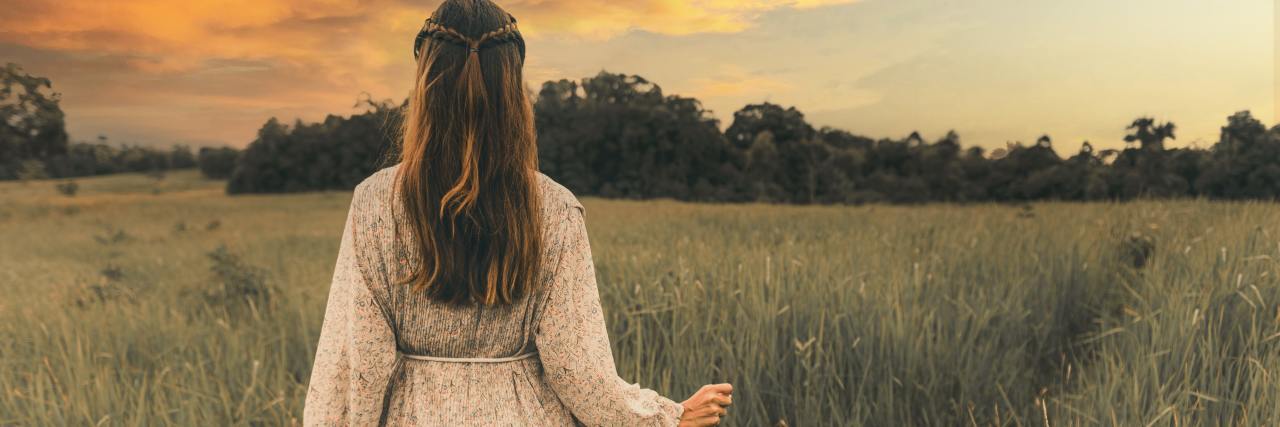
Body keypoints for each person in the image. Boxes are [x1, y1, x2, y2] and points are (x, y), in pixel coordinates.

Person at [302, 0, 733, 425]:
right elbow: (579, 371)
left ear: (425, 80)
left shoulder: (374, 202)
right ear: (514, 88)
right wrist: (667, 415)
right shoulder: (556, 208)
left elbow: (355, 368)